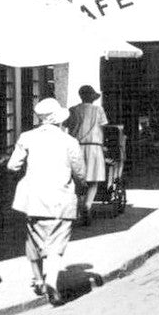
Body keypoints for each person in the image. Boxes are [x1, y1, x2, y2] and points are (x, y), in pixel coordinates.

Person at [7, 98, 85, 305]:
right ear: (59, 120)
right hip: (61, 197)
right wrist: (82, 188)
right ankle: (52, 280)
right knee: (57, 243)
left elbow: (12, 166)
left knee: (33, 239)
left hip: (34, 199)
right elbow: (80, 172)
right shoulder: (70, 142)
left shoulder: (27, 137)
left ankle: (39, 280)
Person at [66, 85, 109, 226]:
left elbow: (67, 125)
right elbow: (103, 126)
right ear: (92, 98)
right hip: (94, 147)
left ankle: (79, 206)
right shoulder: (98, 110)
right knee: (94, 179)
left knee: (78, 179)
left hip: (76, 147)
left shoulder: (73, 110)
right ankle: (87, 205)